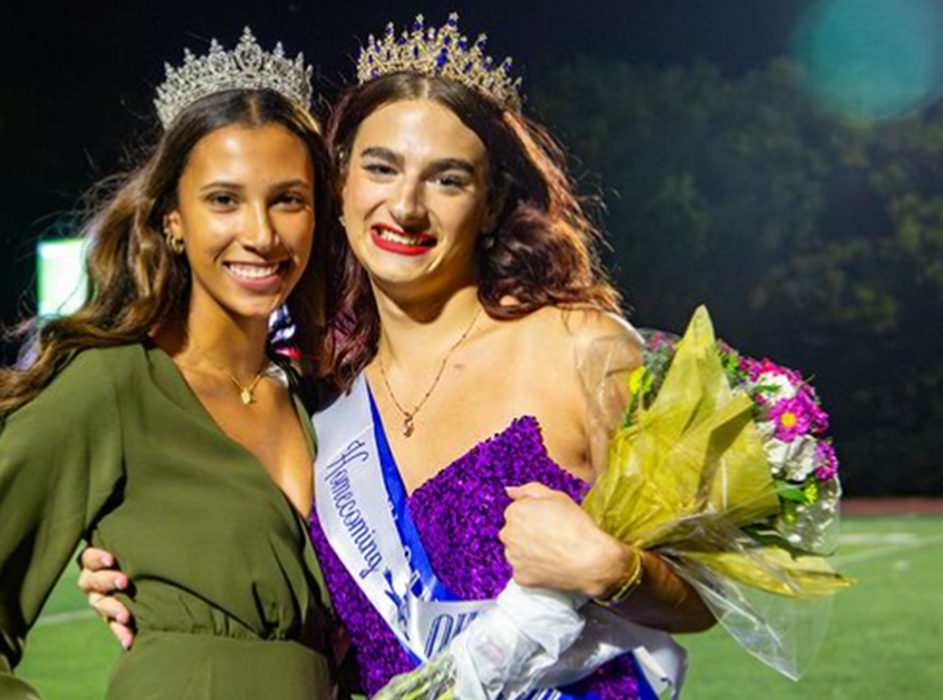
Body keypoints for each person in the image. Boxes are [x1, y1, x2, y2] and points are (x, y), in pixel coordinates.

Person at [81, 14, 716, 699]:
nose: (406, 207)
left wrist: (613, 569)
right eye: (381, 168)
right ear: (340, 184)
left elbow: (704, 594)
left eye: (447, 180)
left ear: (492, 202)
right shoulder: (321, 398)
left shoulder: (581, 348)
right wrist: (146, 578)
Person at [0, 30, 339, 700]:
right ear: (172, 218)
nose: (260, 233)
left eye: (288, 199)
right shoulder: (112, 383)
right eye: (223, 199)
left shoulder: (320, 401)